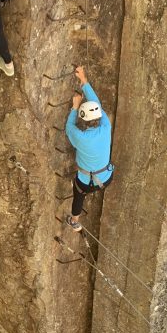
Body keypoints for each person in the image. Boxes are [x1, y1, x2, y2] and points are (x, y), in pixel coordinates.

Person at [65, 66, 113, 231]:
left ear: (83, 120)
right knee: (82, 189)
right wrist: (84, 80)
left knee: (78, 194)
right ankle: (74, 221)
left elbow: (69, 127)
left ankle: (74, 220)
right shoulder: (106, 125)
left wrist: (75, 106)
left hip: (86, 183)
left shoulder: (81, 137)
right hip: (106, 178)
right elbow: (97, 105)